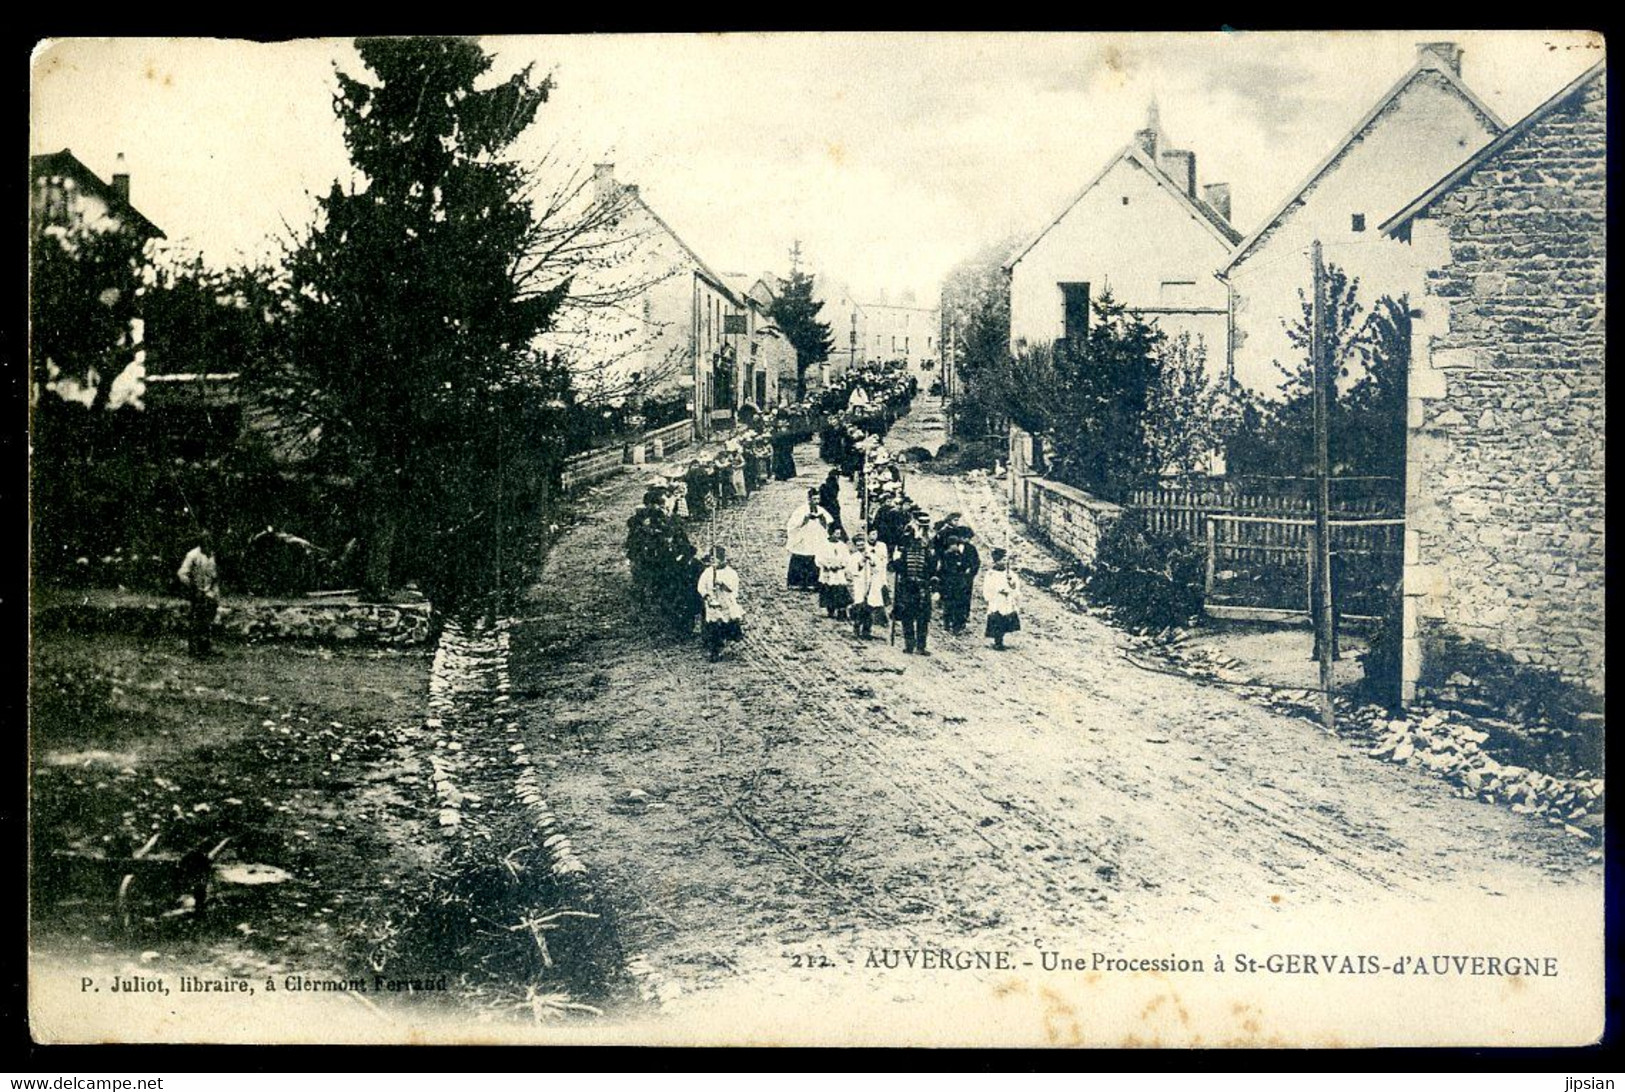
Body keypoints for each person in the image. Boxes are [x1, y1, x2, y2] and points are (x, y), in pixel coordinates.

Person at [890, 512, 938, 655]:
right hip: (907, 585)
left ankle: (921, 646)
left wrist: (933, 585)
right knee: (907, 616)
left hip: (923, 586)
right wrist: (897, 559)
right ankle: (909, 645)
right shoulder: (905, 547)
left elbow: (933, 569)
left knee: (923, 618)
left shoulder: (929, 550)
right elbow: (896, 566)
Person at [177, 530, 220, 658]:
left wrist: (214, 592)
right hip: (196, 592)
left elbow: (214, 575)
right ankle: (194, 649)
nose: (209, 542)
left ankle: (205, 647)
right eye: (206, 539)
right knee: (197, 620)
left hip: (208, 592)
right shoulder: (193, 555)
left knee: (208, 620)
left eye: (210, 539)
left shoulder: (211, 555)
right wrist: (192, 587)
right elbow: (182, 573)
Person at [697, 545, 744, 662]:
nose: (713, 562)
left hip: (727, 603)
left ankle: (730, 645)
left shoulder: (731, 573)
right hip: (713, 603)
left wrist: (722, 585)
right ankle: (715, 650)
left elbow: (733, 588)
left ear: (722, 559)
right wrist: (707, 596)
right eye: (711, 560)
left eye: (715, 559)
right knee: (714, 626)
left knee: (729, 623)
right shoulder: (708, 572)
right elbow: (701, 586)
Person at [784, 490, 834, 590]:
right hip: (804, 538)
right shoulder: (801, 510)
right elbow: (793, 525)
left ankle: (813, 582)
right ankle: (796, 583)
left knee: (815, 558)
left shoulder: (821, 510)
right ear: (809, 499)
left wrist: (821, 519)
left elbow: (828, 522)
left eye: (818, 499)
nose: (816, 501)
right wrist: (804, 519)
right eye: (814, 499)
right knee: (801, 557)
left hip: (816, 538)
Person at [938, 527, 981, 635]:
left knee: (963, 602)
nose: (967, 540)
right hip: (951, 581)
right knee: (950, 601)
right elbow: (943, 565)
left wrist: (970, 573)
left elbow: (976, 563)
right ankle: (947, 623)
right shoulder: (949, 548)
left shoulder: (971, 549)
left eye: (968, 538)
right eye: (965, 538)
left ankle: (960, 624)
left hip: (965, 581)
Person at [847, 532, 887, 640]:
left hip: (871, 583)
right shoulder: (853, 557)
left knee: (869, 607)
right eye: (858, 545)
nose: (861, 547)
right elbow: (853, 570)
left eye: (862, 545)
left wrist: (871, 560)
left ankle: (866, 630)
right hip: (860, 583)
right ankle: (856, 627)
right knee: (859, 606)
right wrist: (862, 561)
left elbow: (878, 568)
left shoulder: (872, 554)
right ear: (855, 546)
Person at [983, 548, 1023, 651]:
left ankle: (1001, 637)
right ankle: (998, 641)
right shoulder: (991, 574)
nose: (1004, 562)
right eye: (1002, 560)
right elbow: (988, 587)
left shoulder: (1009, 574)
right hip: (997, 599)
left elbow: (1015, 586)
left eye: (1006, 560)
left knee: (1006, 618)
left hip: (1007, 599)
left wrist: (1012, 584)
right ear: (996, 561)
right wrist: (995, 593)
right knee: (997, 619)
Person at [816, 527, 853, 620]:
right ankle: (830, 609)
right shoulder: (823, 545)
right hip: (828, 572)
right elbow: (819, 558)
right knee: (829, 589)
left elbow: (847, 558)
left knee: (840, 590)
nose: (838, 536)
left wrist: (842, 565)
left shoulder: (842, 545)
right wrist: (827, 565)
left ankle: (841, 611)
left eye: (839, 534)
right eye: (836, 533)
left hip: (839, 572)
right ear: (831, 533)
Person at [818, 468, 843, 533]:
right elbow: (833, 495)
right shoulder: (834, 484)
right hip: (831, 506)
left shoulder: (823, 486)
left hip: (825, 505)